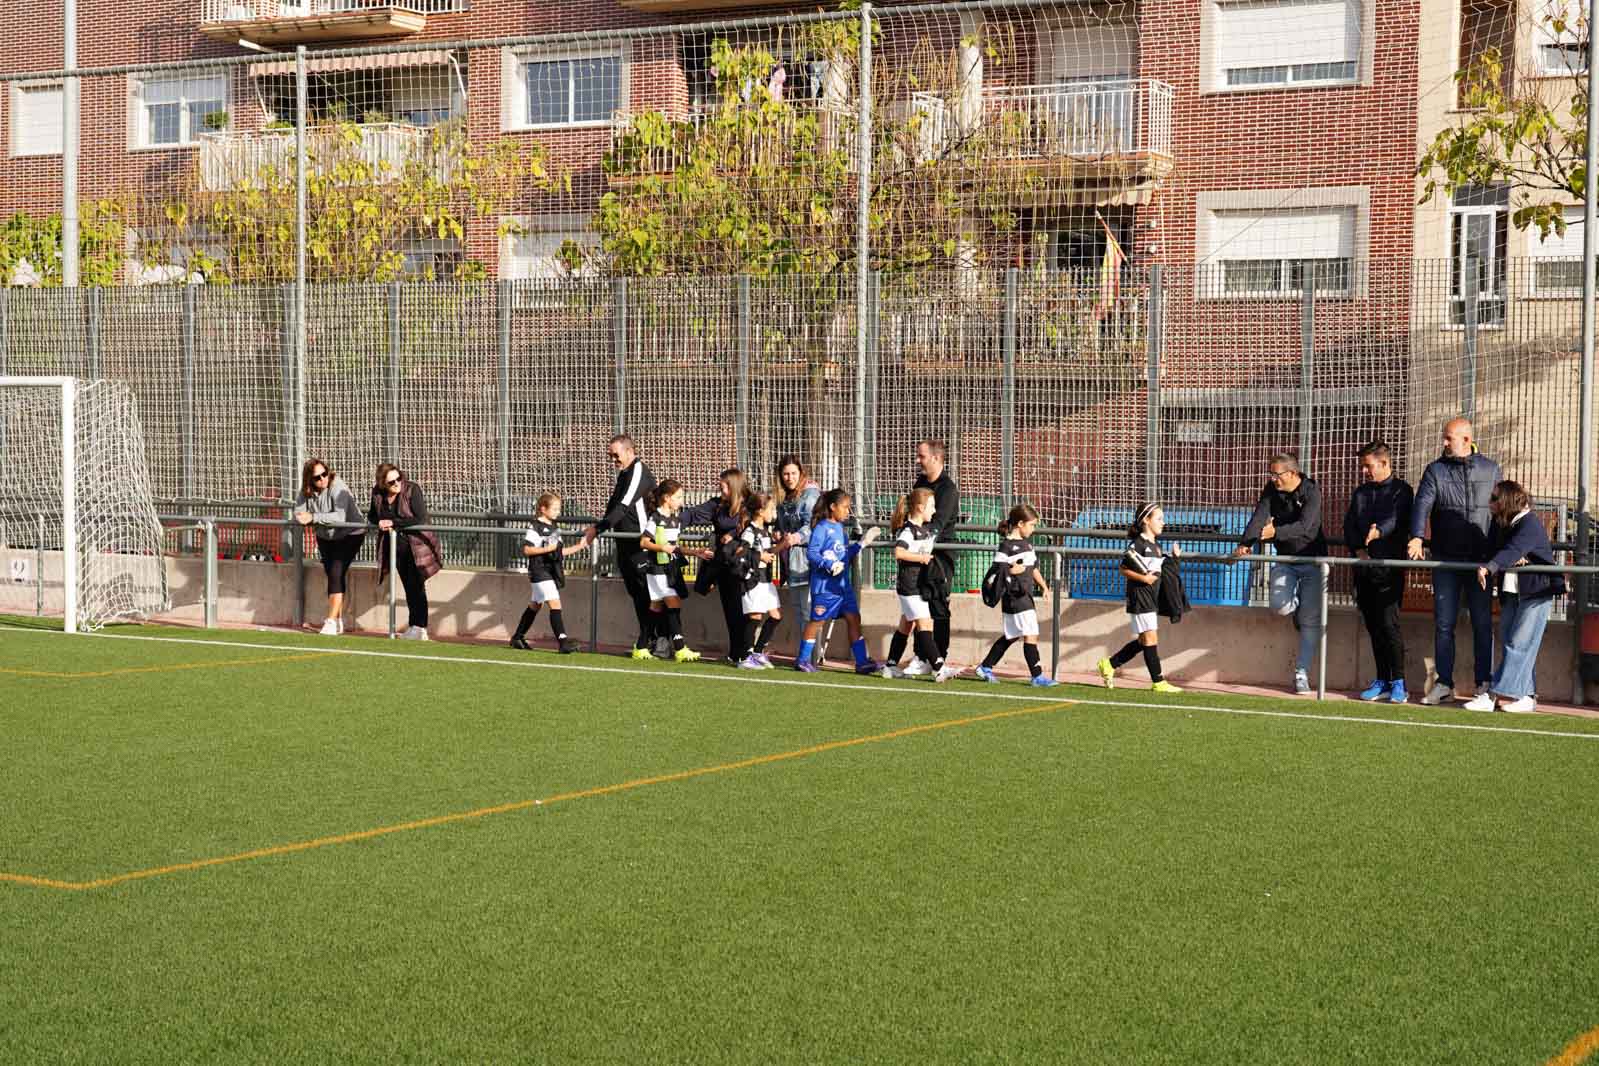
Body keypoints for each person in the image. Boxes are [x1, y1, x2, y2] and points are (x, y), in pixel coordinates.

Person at [1407, 418, 1502, 706]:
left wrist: (1506, 549)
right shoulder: (1435, 470)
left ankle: (1484, 683)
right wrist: (1416, 536)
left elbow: (1501, 510)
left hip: (1480, 563)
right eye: (1444, 438)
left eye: (1449, 438)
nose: (1444, 443)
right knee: (1444, 624)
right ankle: (1444, 684)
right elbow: (1422, 503)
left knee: (1482, 624)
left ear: (1466, 439)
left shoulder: (1491, 469)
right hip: (1446, 560)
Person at [1233, 451, 1328, 695]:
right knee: (1279, 605)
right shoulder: (1271, 490)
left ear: (1293, 473)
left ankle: (1301, 673)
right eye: (1271, 474)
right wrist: (1246, 543)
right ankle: (1297, 612)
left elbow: (1306, 527)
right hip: (1285, 560)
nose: (1273, 479)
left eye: (1278, 474)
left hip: (1313, 562)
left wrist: (1275, 532)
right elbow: (1259, 517)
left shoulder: (1311, 492)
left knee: (1310, 622)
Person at [1467, 481, 1565, 713]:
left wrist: (1490, 567)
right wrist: (1500, 558)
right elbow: (1498, 550)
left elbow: (1513, 549)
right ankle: (1526, 696)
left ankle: (1492, 695)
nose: (1490, 503)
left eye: (1494, 499)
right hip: (1512, 592)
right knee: (1513, 641)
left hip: (1536, 591)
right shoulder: (1502, 524)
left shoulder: (1529, 523)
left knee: (1519, 644)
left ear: (1506, 502)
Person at [1343, 442, 1414, 703]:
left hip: (1390, 568)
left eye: (1368, 465)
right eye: (1363, 466)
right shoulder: (1361, 493)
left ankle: (1399, 682)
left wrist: (1379, 532)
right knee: (1373, 626)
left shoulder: (1402, 490)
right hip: (1364, 569)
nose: (1364, 471)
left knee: (1389, 625)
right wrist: (1359, 549)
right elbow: (1349, 524)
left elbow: (1396, 519)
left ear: (1384, 464)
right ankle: (1382, 679)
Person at [582, 434, 657, 659]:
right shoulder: (624, 473)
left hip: (641, 542)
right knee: (636, 593)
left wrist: (598, 529)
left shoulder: (638, 470)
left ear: (629, 451)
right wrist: (599, 527)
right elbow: (613, 504)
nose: (613, 460)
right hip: (624, 541)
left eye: (616, 455)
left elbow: (623, 507)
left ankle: (654, 641)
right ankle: (646, 641)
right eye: (610, 456)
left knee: (648, 593)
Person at [1098, 502, 1183, 693]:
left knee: (1144, 640)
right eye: (1159, 518)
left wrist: (1175, 558)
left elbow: (1161, 571)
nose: (1163, 522)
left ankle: (1110, 664)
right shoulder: (1138, 544)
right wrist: (1144, 578)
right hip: (1140, 596)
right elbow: (1123, 568)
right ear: (1146, 520)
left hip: (1151, 598)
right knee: (1150, 637)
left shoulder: (1156, 546)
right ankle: (1158, 681)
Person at [797, 488, 882, 674]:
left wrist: (862, 544)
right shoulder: (821, 528)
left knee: (854, 618)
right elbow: (812, 553)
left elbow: (843, 555)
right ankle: (802, 660)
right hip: (826, 587)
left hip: (843, 587)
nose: (847, 511)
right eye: (844, 507)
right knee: (817, 621)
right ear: (832, 507)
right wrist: (828, 564)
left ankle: (861, 662)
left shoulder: (841, 530)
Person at [880, 489, 961, 683]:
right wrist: (921, 558)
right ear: (920, 507)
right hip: (910, 586)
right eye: (931, 507)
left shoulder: (924, 529)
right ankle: (939, 668)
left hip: (919, 585)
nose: (934, 511)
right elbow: (899, 553)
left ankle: (890, 666)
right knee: (924, 624)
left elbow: (933, 534)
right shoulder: (909, 531)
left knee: (906, 625)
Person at [974, 503, 1056, 687]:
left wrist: (1044, 586)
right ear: (1020, 524)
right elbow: (996, 573)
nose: (1033, 529)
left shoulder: (1027, 545)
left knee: (1011, 636)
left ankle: (985, 666)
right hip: (1014, 597)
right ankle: (1037, 676)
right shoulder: (1006, 547)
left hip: (1025, 596)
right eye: (1031, 525)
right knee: (1030, 634)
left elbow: (1032, 568)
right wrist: (1012, 571)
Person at [639, 479, 714, 663]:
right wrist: (661, 548)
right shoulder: (656, 518)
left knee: (656, 607)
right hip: (657, 569)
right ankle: (680, 649)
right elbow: (643, 542)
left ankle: (640, 646)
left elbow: (675, 548)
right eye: (678, 497)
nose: (681, 501)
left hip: (670, 568)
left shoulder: (675, 521)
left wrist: (696, 552)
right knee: (673, 603)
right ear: (666, 498)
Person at [681, 468, 751, 665]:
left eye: (725, 485)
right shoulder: (717, 505)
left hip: (743, 565)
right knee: (730, 610)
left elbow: (758, 526)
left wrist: (735, 537)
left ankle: (746, 651)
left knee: (743, 610)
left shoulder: (749, 504)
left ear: (734, 486)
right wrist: (672, 523)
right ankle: (735, 652)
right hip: (723, 564)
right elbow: (694, 514)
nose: (720, 487)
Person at [293, 457, 365, 636]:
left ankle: (331, 621)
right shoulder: (306, 491)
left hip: (350, 533)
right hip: (325, 536)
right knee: (333, 575)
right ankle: (338, 621)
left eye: (324, 474)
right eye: (317, 478)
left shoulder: (337, 486)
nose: (323, 479)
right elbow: (299, 511)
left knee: (336, 572)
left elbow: (340, 518)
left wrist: (314, 518)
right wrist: (301, 517)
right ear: (310, 480)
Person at [370, 463, 440, 641]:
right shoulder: (378, 493)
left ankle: (421, 627)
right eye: (391, 482)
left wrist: (393, 522)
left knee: (417, 585)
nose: (396, 483)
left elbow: (419, 517)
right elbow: (373, 515)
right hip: (395, 546)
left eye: (398, 478)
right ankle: (414, 625)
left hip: (416, 545)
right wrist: (379, 521)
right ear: (382, 484)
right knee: (408, 586)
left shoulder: (411, 490)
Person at [511, 492, 585, 654]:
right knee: (555, 603)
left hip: (551, 571)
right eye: (555, 508)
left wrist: (579, 546)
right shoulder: (535, 526)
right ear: (543, 509)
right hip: (539, 571)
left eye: (559, 508)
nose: (558, 512)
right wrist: (548, 548)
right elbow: (527, 549)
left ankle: (517, 637)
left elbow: (558, 552)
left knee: (535, 605)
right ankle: (563, 642)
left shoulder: (555, 529)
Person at [913, 439, 961, 659]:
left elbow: (938, 524)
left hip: (940, 556)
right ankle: (920, 655)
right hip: (918, 553)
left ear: (936, 458)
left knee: (938, 605)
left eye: (922, 456)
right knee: (917, 605)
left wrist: (922, 542)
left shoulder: (948, 488)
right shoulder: (920, 482)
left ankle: (939, 657)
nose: (918, 460)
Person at [775, 455, 822, 660]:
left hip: (806, 558)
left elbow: (812, 525)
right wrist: (778, 532)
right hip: (790, 558)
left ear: (801, 473)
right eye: (786, 474)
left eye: (793, 473)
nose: (789, 477)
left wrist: (795, 537)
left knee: (807, 609)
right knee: (799, 607)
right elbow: (782, 524)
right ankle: (807, 655)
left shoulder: (809, 495)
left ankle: (808, 656)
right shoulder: (784, 497)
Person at [733, 492, 783, 670]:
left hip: (766, 580)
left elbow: (769, 553)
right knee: (755, 616)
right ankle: (744, 657)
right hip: (753, 580)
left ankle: (758, 652)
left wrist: (783, 544)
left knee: (776, 616)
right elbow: (740, 552)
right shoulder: (750, 530)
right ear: (761, 511)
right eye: (771, 509)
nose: (773, 513)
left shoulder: (765, 531)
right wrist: (759, 555)